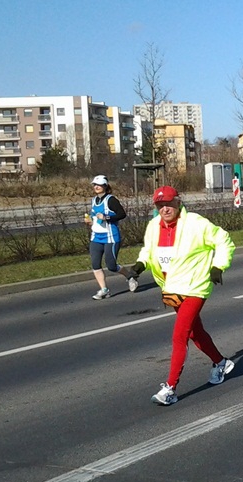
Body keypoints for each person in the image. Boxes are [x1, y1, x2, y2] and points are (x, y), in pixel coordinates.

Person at [124, 186, 235, 406]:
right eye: (160, 205)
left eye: (168, 204)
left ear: (178, 202)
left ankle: (170, 388)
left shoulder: (195, 223)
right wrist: (140, 264)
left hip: (195, 286)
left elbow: (224, 241)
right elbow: (149, 250)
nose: (165, 209)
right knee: (195, 332)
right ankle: (221, 362)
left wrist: (218, 266)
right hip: (172, 287)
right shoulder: (153, 226)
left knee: (179, 335)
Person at [85, 174, 136, 300]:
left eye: (99, 185)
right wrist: (90, 221)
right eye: (95, 185)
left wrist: (106, 217)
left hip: (110, 237)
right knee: (95, 264)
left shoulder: (111, 200)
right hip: (96, 237)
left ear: (105, 186)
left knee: (111, 266)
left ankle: (130, 276)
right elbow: (95, 216)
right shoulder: (94, 200)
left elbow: (122, 214)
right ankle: (104, 290)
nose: (96, 187)